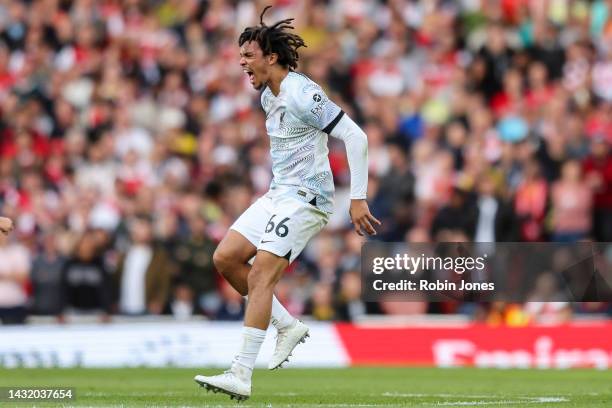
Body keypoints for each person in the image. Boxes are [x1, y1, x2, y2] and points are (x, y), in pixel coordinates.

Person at [194, 7, 380, 401]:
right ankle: (286, 325)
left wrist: (358, 197)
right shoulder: (268, 96)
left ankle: (241, 373)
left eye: (248, 56)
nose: (242, 63)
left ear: (271, 56)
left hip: (306, 199)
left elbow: (356, 136)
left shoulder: (302, 92)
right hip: (279, 194)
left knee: (261, 274)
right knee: (226, 258)